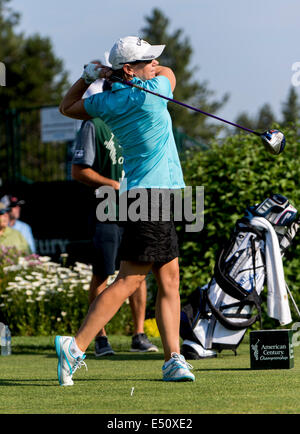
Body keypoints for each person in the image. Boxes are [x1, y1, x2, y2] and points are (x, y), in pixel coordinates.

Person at [55, 36, 195, 385]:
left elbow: (67, 106)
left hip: (147, 195)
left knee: (169, 279)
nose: (154, 64)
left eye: (152, 60)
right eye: (145, 60)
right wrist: (125, 74)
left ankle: (173, 359)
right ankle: (75, 346)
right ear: (132, 69)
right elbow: (169, 71)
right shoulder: (153, 93)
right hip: (152, 197)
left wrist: (91, 76)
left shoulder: (107, 102)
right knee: (130, 280)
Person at [71, 110, 158, 356]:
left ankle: (139, 335)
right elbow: (78, 171)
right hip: (105, 209)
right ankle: (100, 338)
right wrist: (112, 184)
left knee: (138, 271)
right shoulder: (94, 125)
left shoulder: (136, 120)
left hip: (136, 207)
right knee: (103, 272)